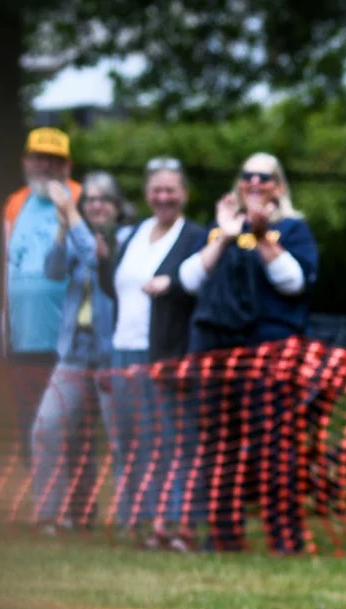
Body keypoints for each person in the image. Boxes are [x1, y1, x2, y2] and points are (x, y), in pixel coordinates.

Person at [178, 153, 320, 552]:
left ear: (279, 185)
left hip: (269, 351)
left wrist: (261, 237)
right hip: (219, 349)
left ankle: (285, 536)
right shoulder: (220, 227)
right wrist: (225, 235)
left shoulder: (292, 229)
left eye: (265, 176)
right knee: (219, 443)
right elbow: (189, 280)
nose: (255, 182)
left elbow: (294, 282)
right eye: (248, 175)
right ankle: (223, 533)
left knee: (273, 445)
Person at [105, 159, 207, 545]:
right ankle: (141, 520)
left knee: (170, 438)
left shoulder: (194, 236)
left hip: (164, 350)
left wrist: (172, 284)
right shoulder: (133, 234)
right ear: (147, 194)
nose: (163, 197)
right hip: (123, 347)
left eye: (171, 190)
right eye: (157, 190)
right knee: (131, 440)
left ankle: (178, 521)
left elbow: (197, 283)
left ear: (185, 194)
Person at [30, 171, 130, 530]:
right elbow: (52, 269)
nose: (96, 205)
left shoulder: (128, 239)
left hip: (112, 354)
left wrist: (71, 215)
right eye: (89, 200)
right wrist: (62, 228)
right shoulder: (76, 234)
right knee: (48, 427)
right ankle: (50, 515)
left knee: (119, 440)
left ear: (117, 206)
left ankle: (129, 519)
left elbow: (95, 256)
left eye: (104, 199)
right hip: (73, 351)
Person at [1, 127, 79, 449]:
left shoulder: (82, 197)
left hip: (68, 342)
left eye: (54, 159)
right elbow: (6, 266)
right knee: (29, 424)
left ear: (67, 166)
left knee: (69, 430)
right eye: (38, 158)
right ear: (26, 161)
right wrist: (3, 327)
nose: (45, 166)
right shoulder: (15, 203)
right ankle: (35, 479)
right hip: (24, 337)